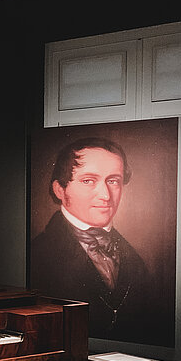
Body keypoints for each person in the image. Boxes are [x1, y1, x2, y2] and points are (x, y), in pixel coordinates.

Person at [31, 137, 162, 344]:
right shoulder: (38, 254)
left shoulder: (136, 261)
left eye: (113, 181)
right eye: (88, 181)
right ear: (60, 189)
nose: (105, 195)